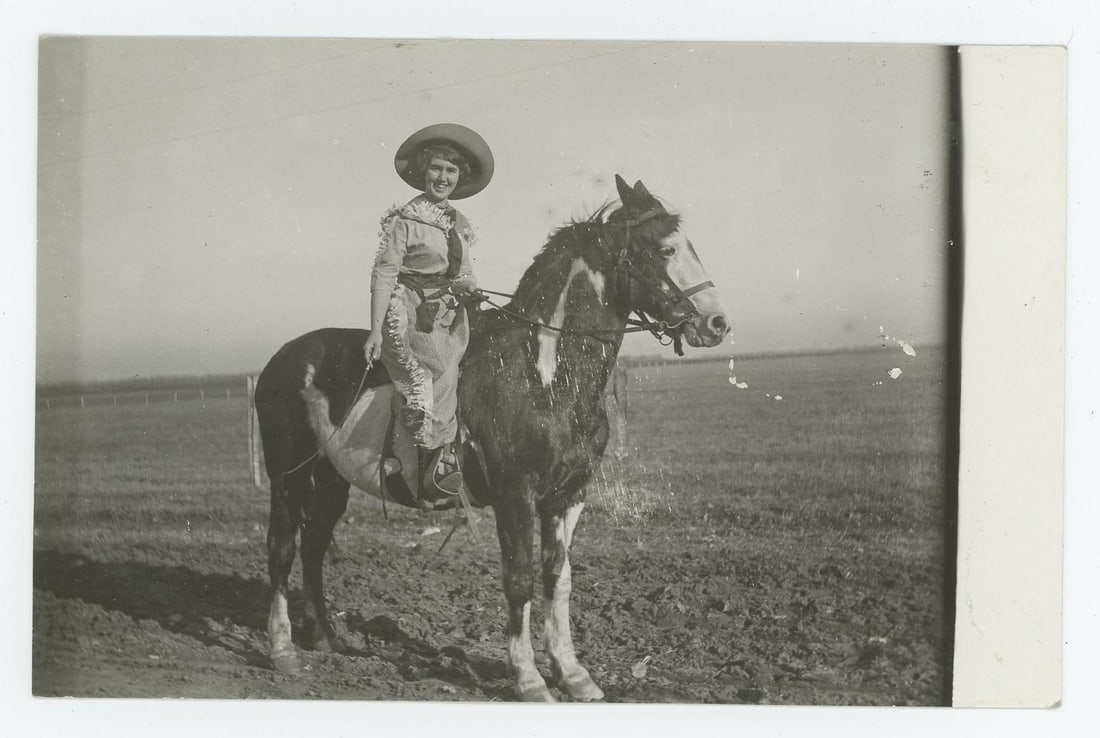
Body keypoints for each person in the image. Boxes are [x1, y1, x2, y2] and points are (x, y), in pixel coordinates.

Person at [364, 123, 493, 504]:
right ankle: (429, 470)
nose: (443, 177)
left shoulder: (460, 225)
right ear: (424, 170)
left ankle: (475, 455)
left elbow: (464, 270)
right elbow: (384, 274)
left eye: (451, 171)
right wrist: (374, 331)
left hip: (450, 313)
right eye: (436, 168)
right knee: (437, 367)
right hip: (410, 312)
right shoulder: (406, 221)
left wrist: (469, 285)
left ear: (460, 177)